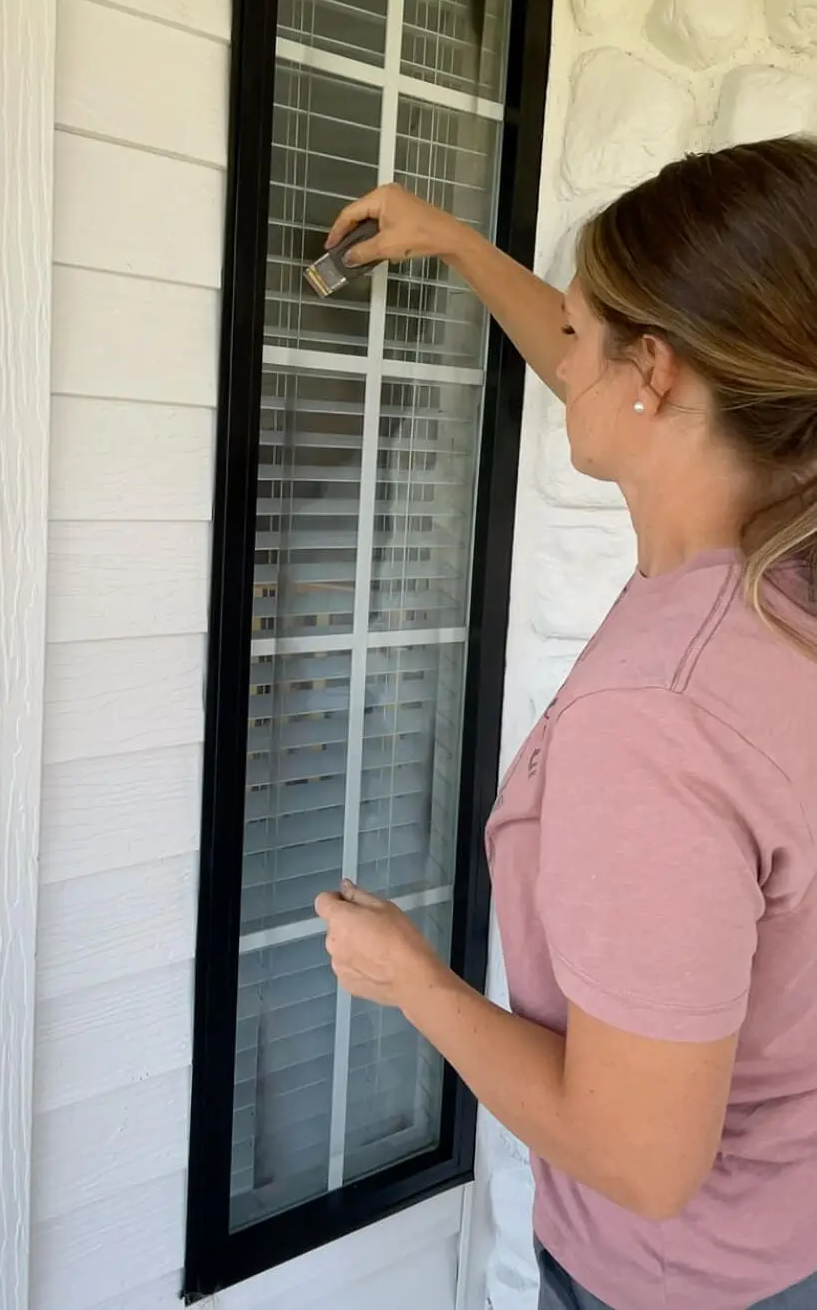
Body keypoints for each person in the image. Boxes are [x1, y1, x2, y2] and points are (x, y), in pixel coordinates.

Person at [314, 137, 817, 1310]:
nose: (564, 349)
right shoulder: (784, 572)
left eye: (583, 333)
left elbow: (643, 1162)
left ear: (659, 374)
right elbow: (612, 367)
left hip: (680, 1285)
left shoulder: (660, 721)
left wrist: (414, 984)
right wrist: (457, 247)